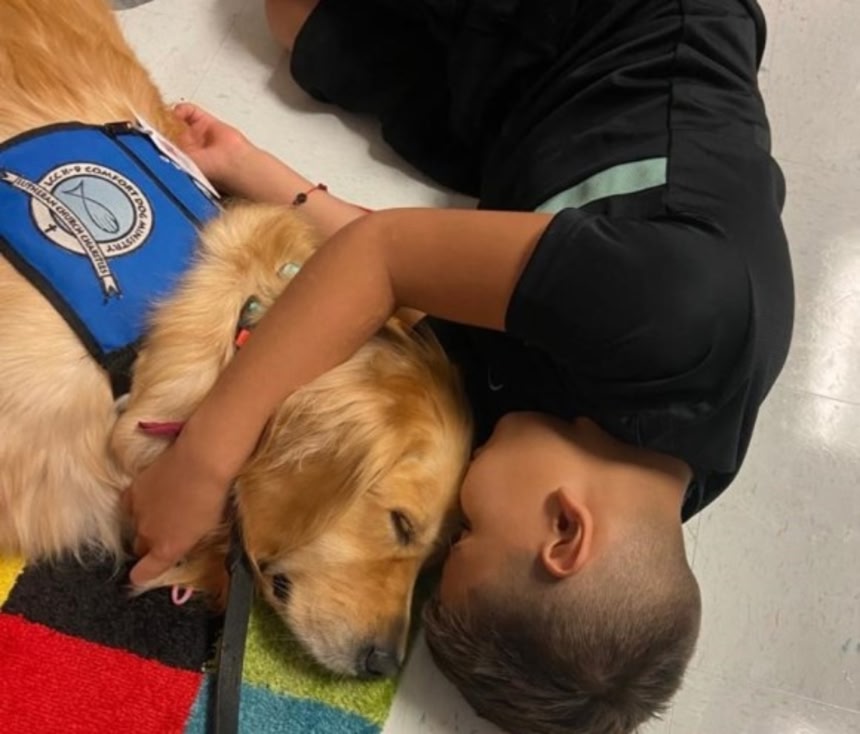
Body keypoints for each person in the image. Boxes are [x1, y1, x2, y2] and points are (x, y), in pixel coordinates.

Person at [126, 0, 794, 731]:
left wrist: (251, 168)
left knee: (302, 29)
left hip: (524, 130)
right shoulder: (674, 313)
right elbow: (381, 258)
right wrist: (206, 457)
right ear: (566, 532)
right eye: (467, 532)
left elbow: (427, 271)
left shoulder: (621, 481)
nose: (459, 504)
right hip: (616, 21)